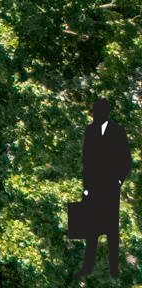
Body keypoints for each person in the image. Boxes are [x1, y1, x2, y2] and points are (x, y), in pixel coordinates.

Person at [74, 99, 132, 278]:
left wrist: (119, 181)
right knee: (92, 229)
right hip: (93, 187)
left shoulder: (117, 131)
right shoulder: (90, 131)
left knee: (111, 229)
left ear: (106, 112)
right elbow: (87, 160)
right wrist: (86, 187)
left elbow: (127, 159)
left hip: (110, 186)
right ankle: (87, 267)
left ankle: (114, 268)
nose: (96, 114)